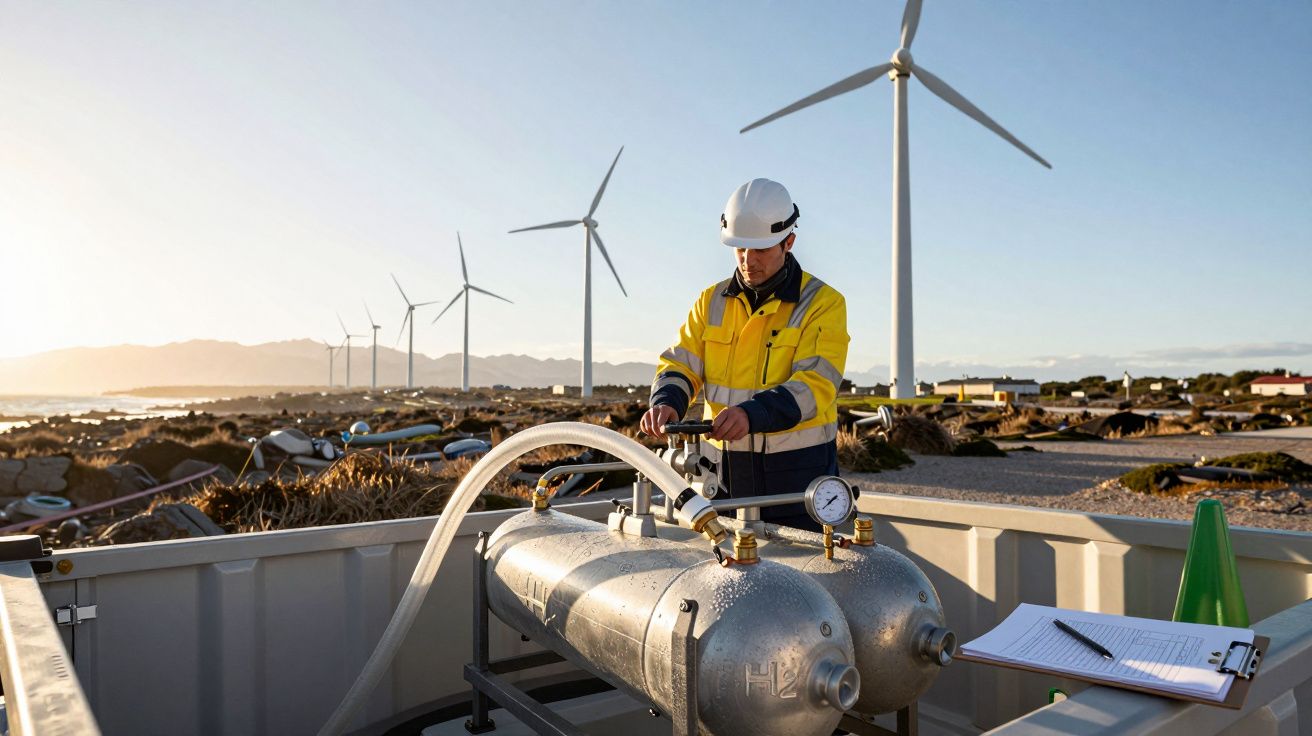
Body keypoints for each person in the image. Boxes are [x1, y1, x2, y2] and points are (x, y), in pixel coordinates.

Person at [640, 178, 849, 530]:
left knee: (799, 583)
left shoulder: (823, 304)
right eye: (739, 249)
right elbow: (680, 362)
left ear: (788, 243)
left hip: (794, 489)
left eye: (760, 250)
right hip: (720, 485)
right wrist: (667, 400)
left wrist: (754, 414)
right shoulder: (711, 301)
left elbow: (816, 385)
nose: (748, 261)